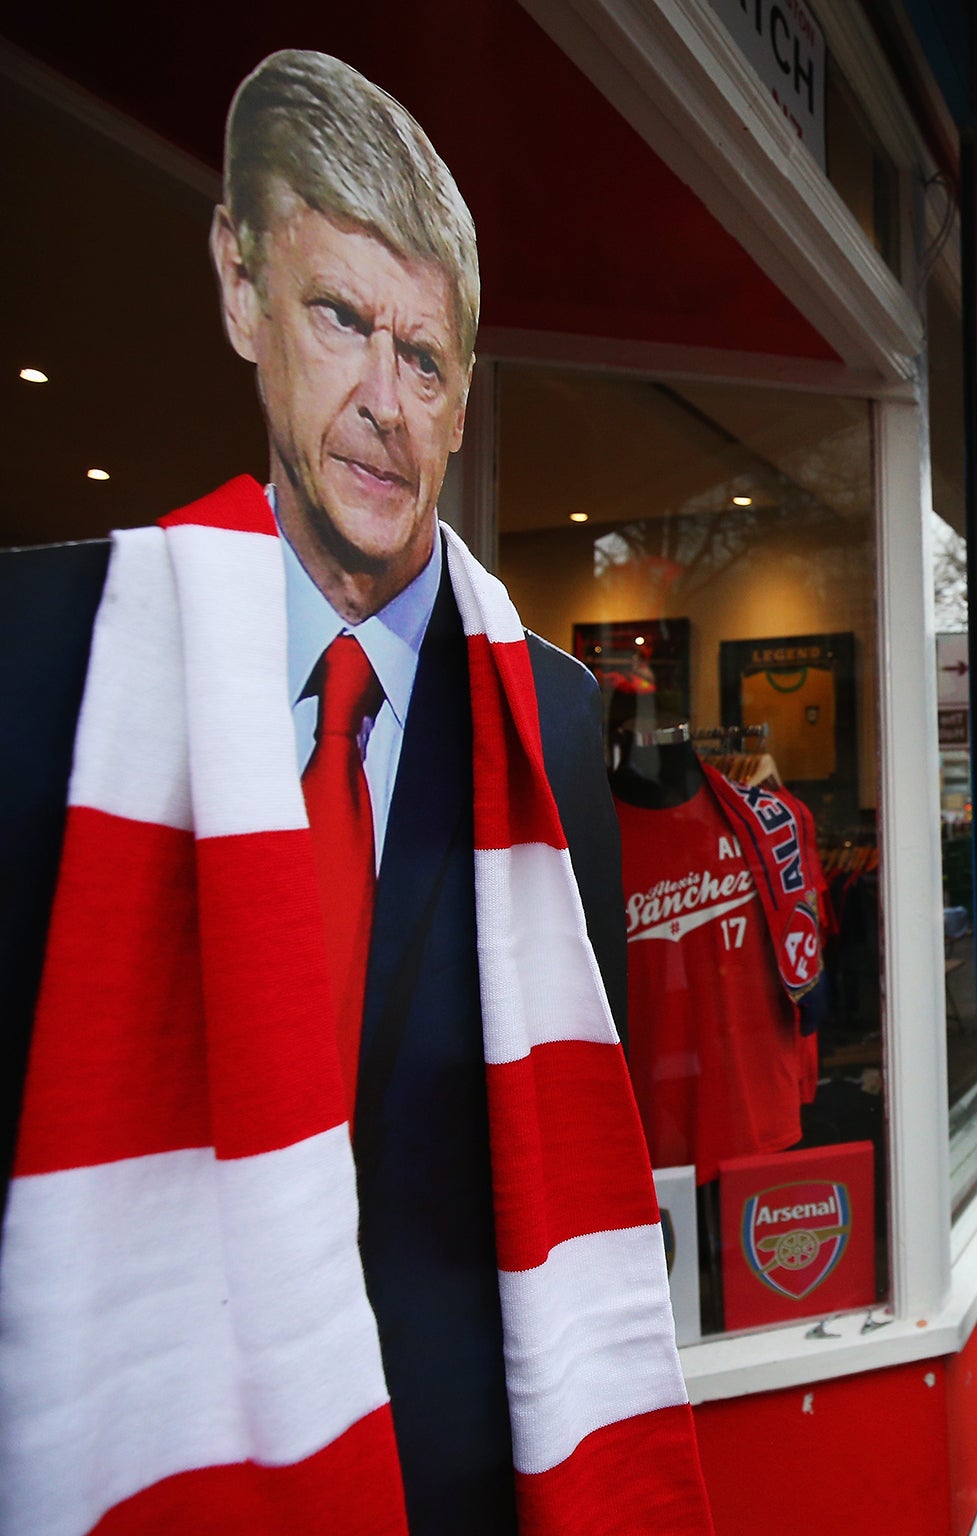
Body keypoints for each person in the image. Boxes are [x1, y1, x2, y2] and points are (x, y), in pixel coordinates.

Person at [0, 53, 711, 1533]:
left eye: (427, 358)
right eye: (341, 321)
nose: (385, 404)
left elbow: (579, 1157)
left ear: (463, 403)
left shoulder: (558, 727)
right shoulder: (53, 667)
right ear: (243, 295)